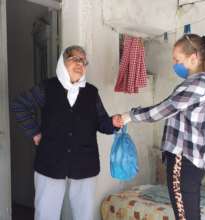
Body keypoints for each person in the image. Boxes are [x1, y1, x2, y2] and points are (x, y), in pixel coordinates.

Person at [12, 45, 123, 220]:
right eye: (75, 59)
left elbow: (101, 122)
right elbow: (20, 105)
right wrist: (34, 132)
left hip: (84, 162)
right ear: (63, 62)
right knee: (46, 214)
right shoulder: (47, 88)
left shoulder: (91, 92)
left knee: (84, 214)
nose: (80, 64)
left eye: (84, 61)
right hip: (50, 162)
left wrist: (113, 123)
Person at [121, 34, 205, 220]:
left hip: (183, 161)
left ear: (194, 57)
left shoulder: (196, 86)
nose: (174, 63)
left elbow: (161, 111)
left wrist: (128, 116)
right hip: (192, 162)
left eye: (177, 59)